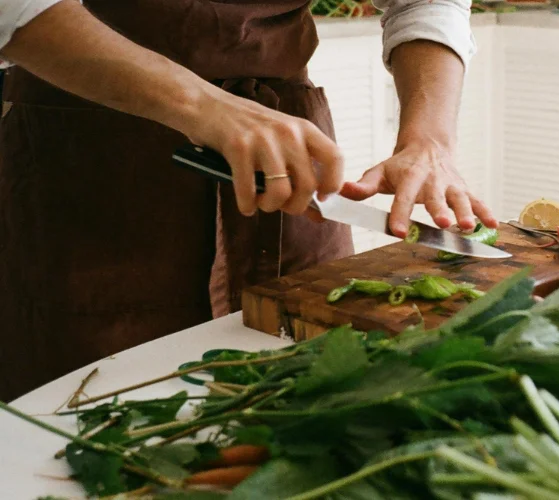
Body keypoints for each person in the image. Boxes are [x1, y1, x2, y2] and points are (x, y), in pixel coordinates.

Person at [0, 0, 498, 401]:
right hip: (88, 159)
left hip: (288, 164)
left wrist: (428, 137)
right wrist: (200, 105)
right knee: (83, 405)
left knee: (312, 387)